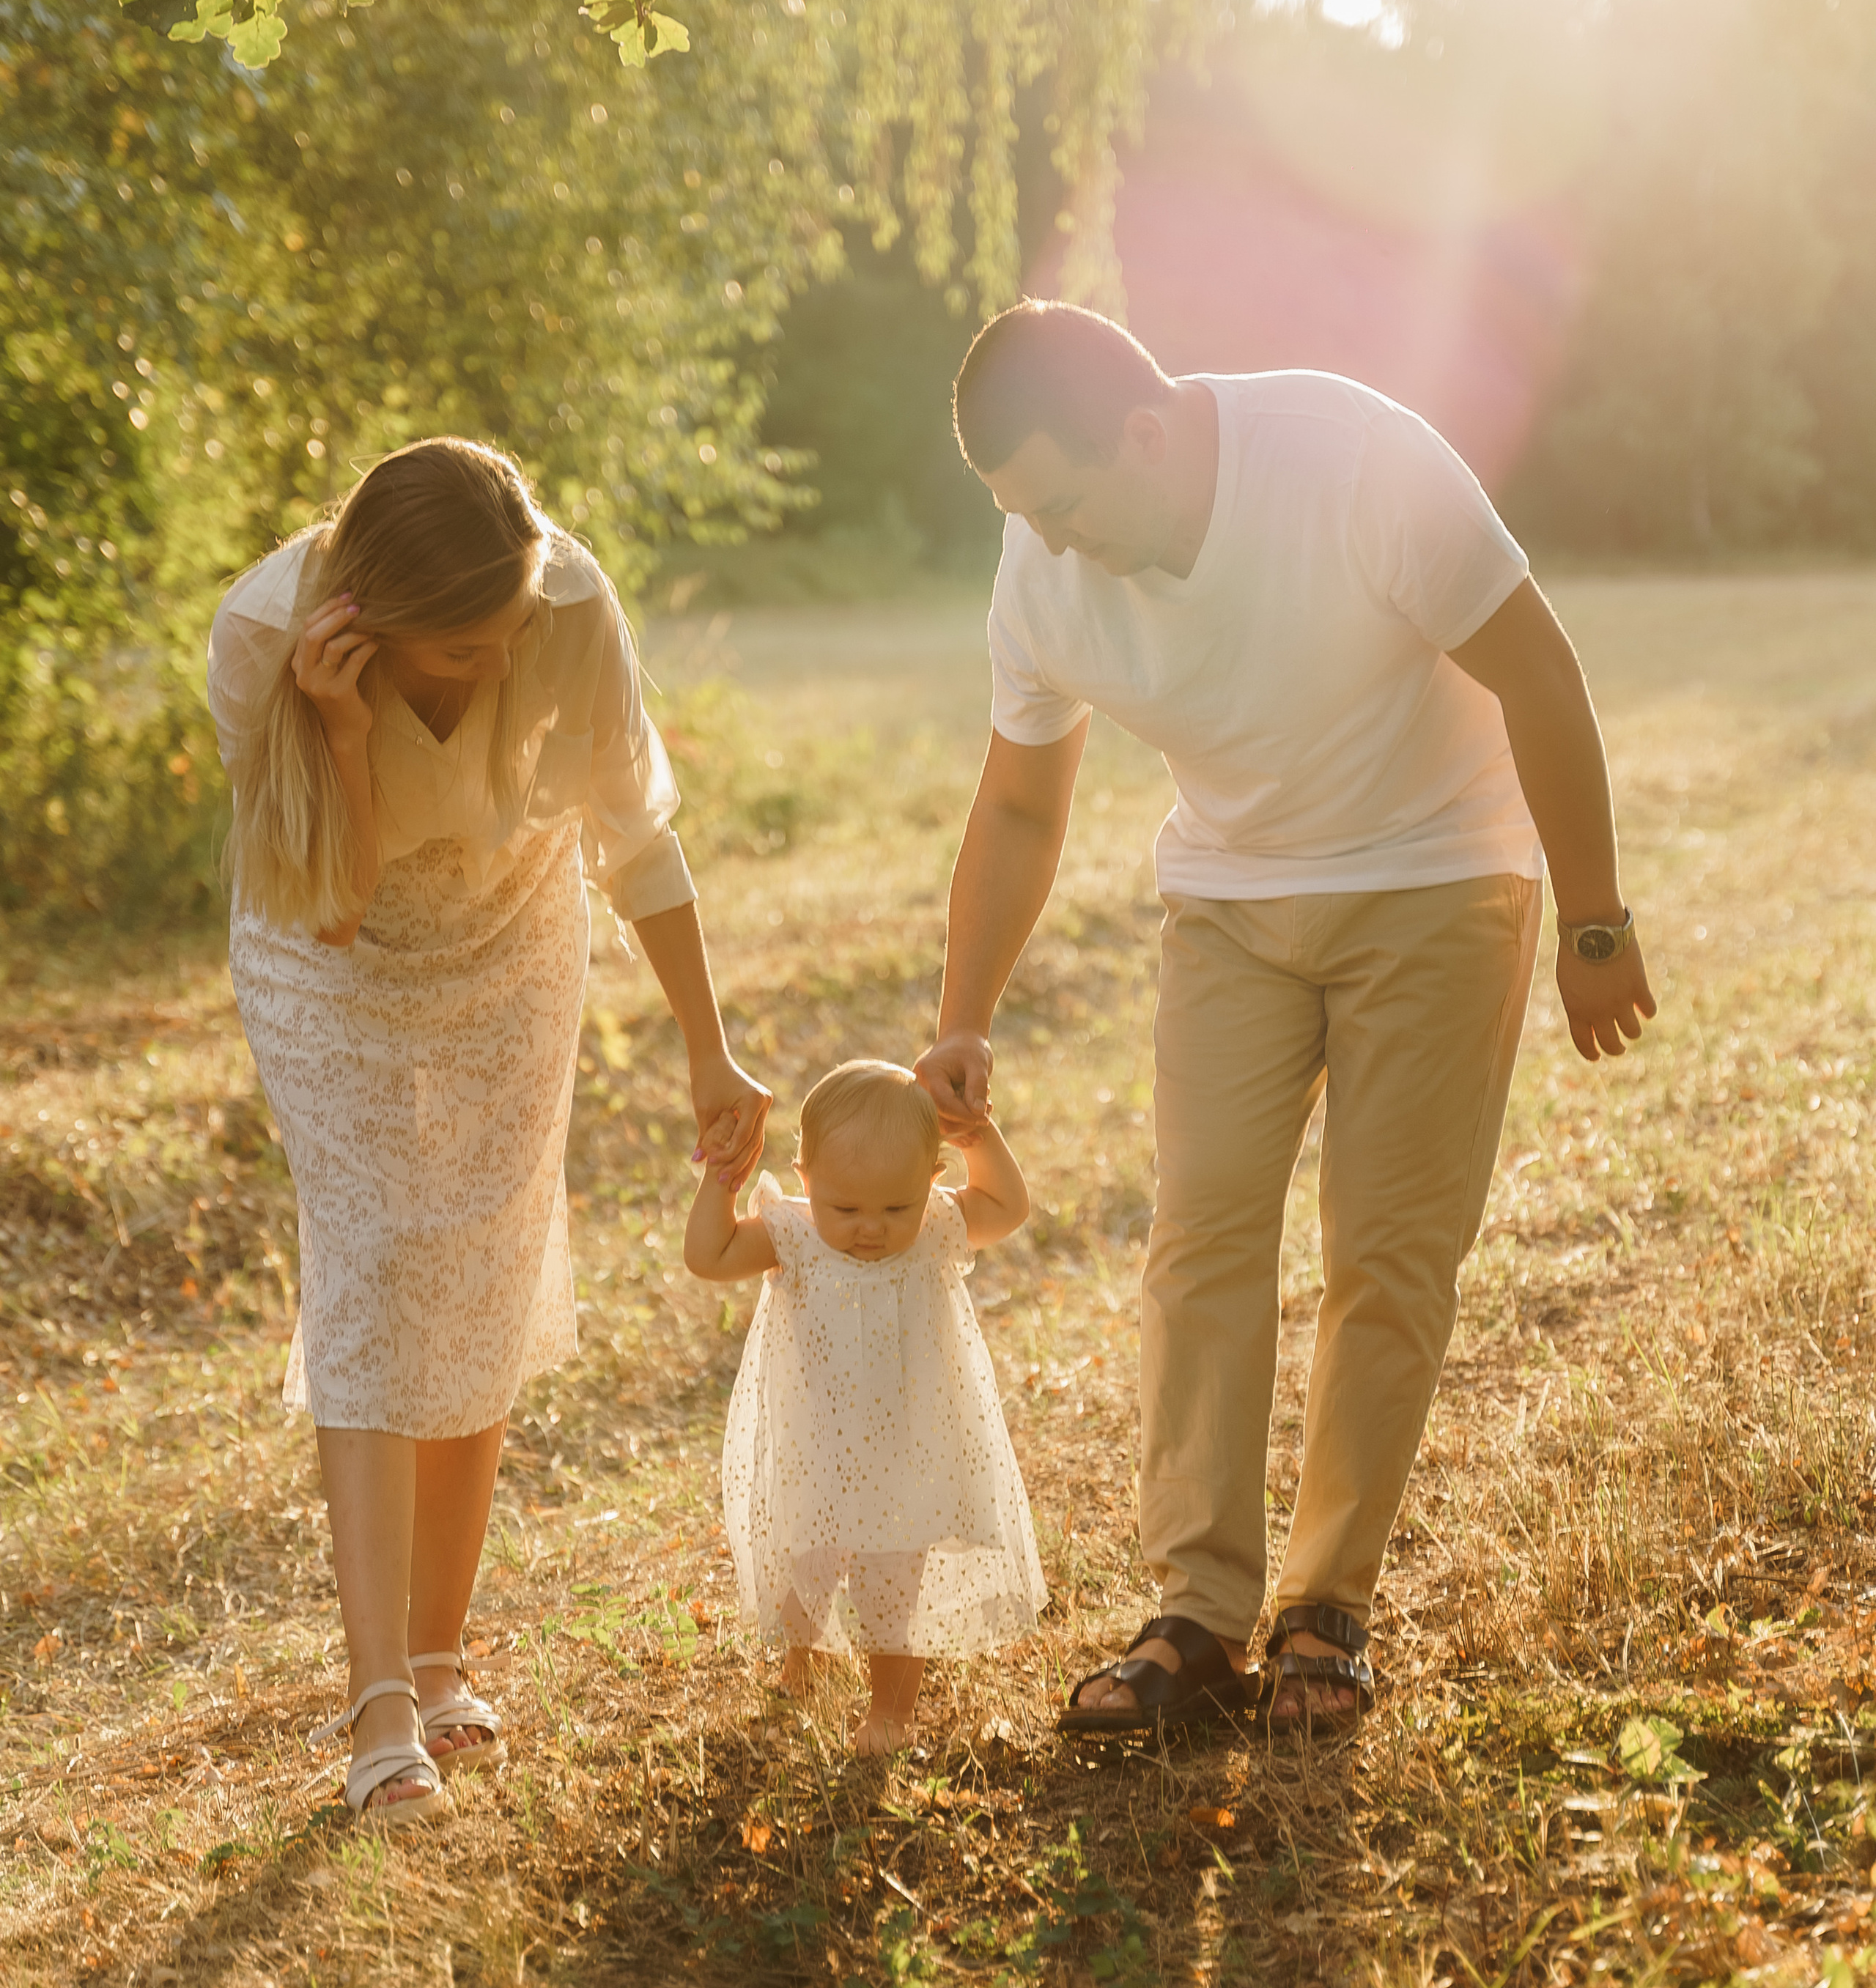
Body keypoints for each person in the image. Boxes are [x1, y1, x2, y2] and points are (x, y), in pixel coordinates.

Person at [915, 303, 1656, 1735]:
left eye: (1061, 506)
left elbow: (1536, 673)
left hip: (1435, 879)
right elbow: (1016, 803)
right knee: (1200, 1233)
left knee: (1384, 1249)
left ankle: (1326, 1608)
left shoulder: (1351, 464)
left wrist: (1591, 920)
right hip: (1234, 904)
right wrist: (963, 1015)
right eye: (1021, 517)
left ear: (1142, 433)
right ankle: (1193, 1614)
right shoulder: (1041, 564)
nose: (1049, 544)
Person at [207, 437, 769, 1822]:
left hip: (513, 927)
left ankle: (442, 1656)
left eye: (511, 629)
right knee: (381, 1257)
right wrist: (341, 732)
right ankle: (377, 1703)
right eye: (467, 647)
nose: (506, 658)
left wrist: (712, 1049)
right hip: (330, 944)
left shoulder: (565, 605)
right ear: (376, 622)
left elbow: (635, 839)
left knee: (486, 1259)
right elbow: (326, 904)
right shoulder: (264, 638)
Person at [685, 1059, 1044, 1756]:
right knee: (806, 1565)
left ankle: (890, 1711)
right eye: (845, 1208)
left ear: (930, 1181)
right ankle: (806, 1661)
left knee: (892, 1586)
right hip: (818, 1446)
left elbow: (1007, 1208)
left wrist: (976, 1134)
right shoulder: (793, 1235)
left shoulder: (937, 1226)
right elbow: (710, 1253)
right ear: (805, 1178)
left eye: (895, 1207)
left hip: (909, 1453)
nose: (871, 1229)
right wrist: (719, 1178)